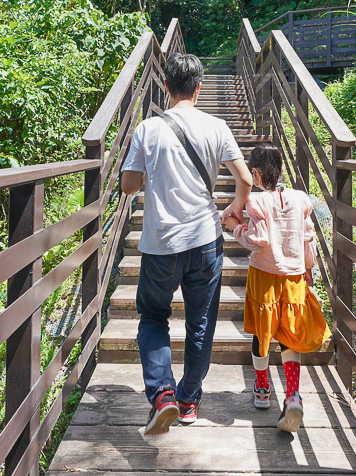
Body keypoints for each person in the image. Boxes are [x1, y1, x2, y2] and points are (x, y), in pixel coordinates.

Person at [120, 53, 253, 434]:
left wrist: (152, 175)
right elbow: (244, 179)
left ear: (165, 87)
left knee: (153, 316)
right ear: (199, 88)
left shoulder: (148, 129)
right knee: (200, 324)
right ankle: (188, 399)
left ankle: (162, 395)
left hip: (161, 243)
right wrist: (235, 207)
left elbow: (129, 185)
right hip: (205, 242)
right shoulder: (217, 126)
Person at [223, 143, 331, 433]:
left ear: (256, 174)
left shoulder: (257, 203)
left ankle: (261, 390)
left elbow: (258, 239)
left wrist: (234, 227)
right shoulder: (299, 199)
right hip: (295, 276)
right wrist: (308, 270)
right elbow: (308, 239)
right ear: (280, 169)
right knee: (289, 335)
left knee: (262, 331)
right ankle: (293, 394)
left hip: (265, 276)